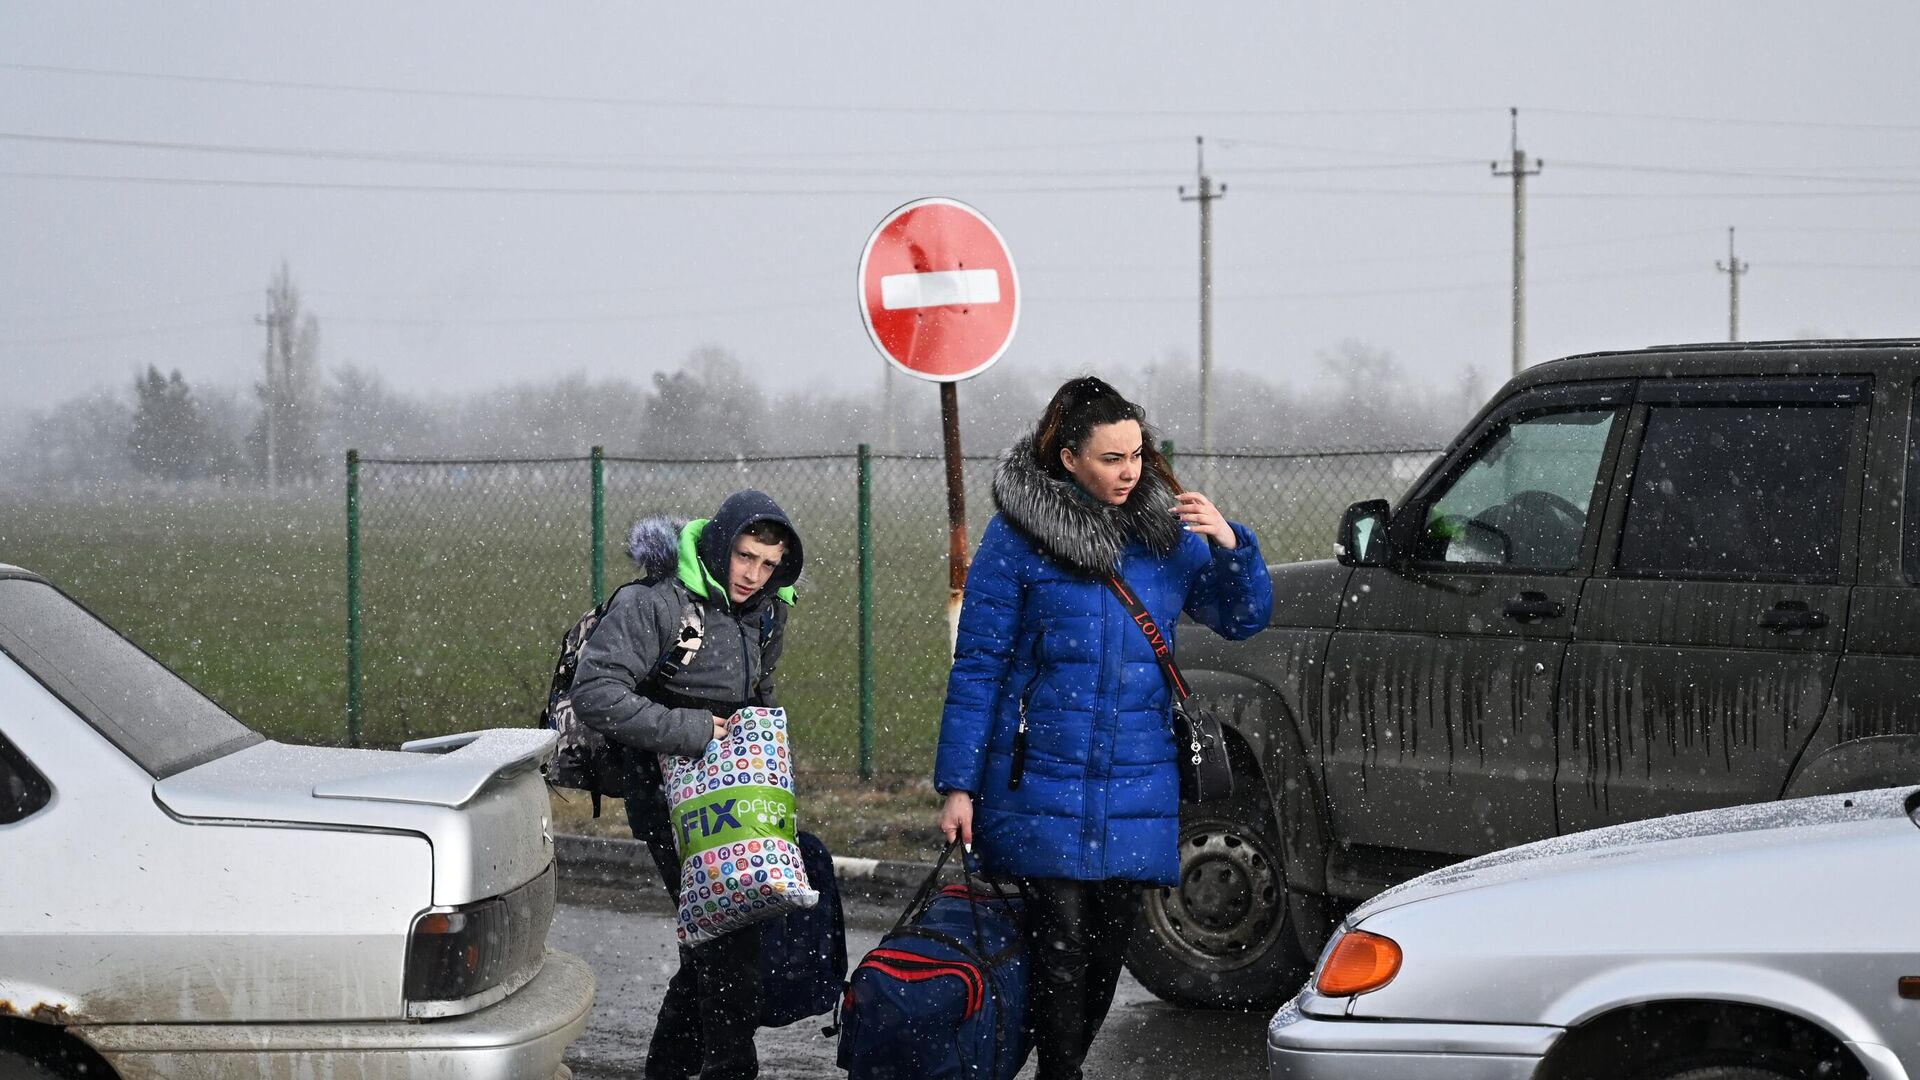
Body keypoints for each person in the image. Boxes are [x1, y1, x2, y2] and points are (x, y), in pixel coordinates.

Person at [933, 376, 1273, 1080]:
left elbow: (1241, 618)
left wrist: (1232, 545)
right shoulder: (1017, 539)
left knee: (1105, 955)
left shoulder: (1168, 537)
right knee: (1059, 948)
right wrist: (959, 785)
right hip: (1036, 777)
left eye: (1137, 455)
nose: (1130, 471)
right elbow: (980, 665)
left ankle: (1057, 1064)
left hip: (1136, 780)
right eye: (1112, 458)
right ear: (1068, 461)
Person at [571, 489, 803, 1080]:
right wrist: (691, 729)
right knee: (727, 942)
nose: (754, 575)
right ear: (722, 544)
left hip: (734, 789)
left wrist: (765, 757)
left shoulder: (768, 612)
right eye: (746, 557)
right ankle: (728, 1069)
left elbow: (757, 693)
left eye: (769, 564)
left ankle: (671, 1070)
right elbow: (595, 693)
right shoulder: (659, 605)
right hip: (662, 788)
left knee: (713, 942)